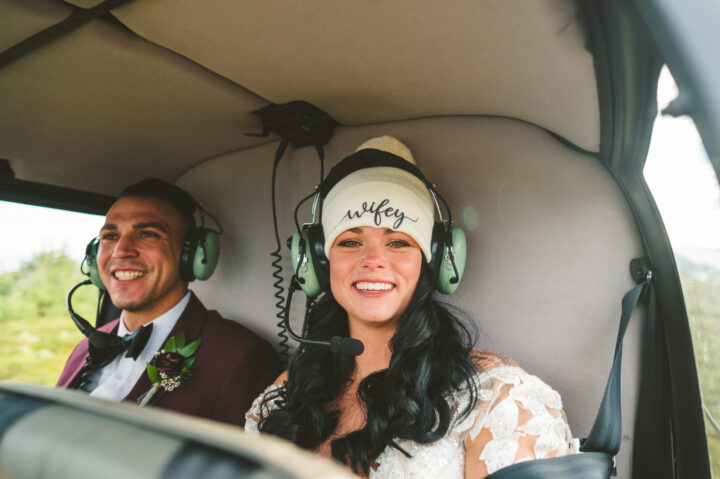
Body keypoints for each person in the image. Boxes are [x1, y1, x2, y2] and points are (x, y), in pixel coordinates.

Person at [245, 137, 579, 477]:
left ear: (433, 260)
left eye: (397, 242)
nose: (373, 260)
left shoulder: (496, 397)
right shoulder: (288, 391)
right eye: (349, 240)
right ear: (318, 260)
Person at [57, 179, 282, 427]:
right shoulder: (84, 349)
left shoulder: (241, 357)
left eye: (148, 234)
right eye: (110, 236)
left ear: (192, 254)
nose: (121, 251)